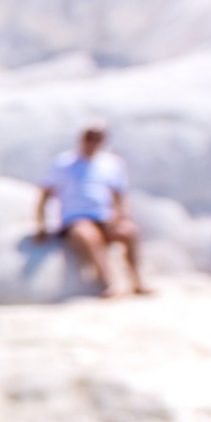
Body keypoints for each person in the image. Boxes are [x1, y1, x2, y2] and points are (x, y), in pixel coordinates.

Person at [35, 126, 144, 297]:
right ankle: (109, 284)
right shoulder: (63, 163)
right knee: (88, 235)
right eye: (89, 138)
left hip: (103, 217)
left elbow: (119, 195)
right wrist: (42, 225)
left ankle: (137, 282)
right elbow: (45, 195)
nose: (92, 142)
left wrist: (120, 216)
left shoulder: (111, 163)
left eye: (97, 138)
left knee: (129, 232)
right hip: (75, 219)